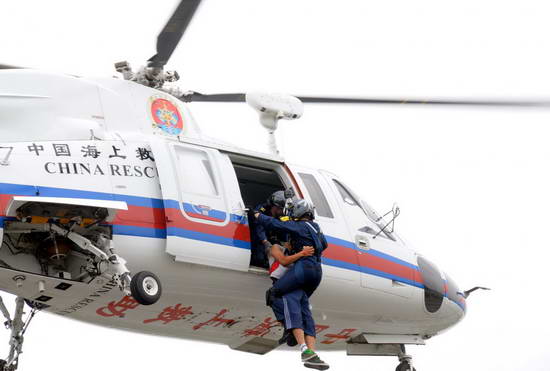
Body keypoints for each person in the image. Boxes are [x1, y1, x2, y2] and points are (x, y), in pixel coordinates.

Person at [255, 199, 330, 370]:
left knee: (276, 294)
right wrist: (304, 249)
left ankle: (296, 339)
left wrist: (258, 215)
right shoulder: (316, 228)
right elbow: (324, 245)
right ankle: (312, 352)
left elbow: (277, 226)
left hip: (303, 269)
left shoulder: (299, 227)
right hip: (316, 272)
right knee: (304, 309)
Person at [249, 190, 288, 268]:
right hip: (259, 239)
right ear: (275, 207)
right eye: (281, 209)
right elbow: (258, 226)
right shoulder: (262, 209)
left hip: (271, 239)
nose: (282, 211)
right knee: (259, 259)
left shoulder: (283, 216)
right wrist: (265, 241)